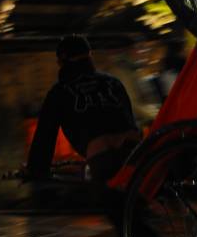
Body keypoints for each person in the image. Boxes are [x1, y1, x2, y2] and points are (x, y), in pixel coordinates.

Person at [26, 34, 141, 195]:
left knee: (112, 205)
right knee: (137, 203)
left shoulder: (60, 91)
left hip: (101, 153)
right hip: (133, 150)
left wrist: (36, 170)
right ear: (90, 55)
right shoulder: (113, 82)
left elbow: (45, 136)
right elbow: (129, 118)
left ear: (61, 61)